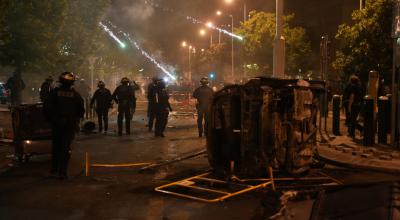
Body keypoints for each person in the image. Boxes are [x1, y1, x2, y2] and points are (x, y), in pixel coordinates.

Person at [43, 72, 84, 179]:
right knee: (65, 148)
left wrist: (50, 119)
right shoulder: (75, 94)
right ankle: (63, 172)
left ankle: (54, 170)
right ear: (72, 83)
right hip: (69, 125)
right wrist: (76, 120)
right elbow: (81, 109)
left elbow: (47, 107)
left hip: (56, 124)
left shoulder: (54, 93)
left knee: (56, 146)